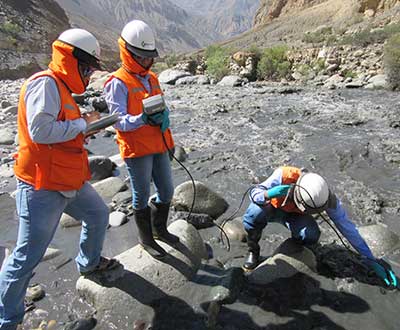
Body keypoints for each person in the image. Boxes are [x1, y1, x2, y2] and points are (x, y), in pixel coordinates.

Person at [0, 28, 119, 330]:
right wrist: (81, 125)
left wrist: (81, 130)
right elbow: (40, 131)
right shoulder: (46, 84)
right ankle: (7, 320)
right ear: (74, 61)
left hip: (68, 179)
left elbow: (59, 130)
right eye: (89, 67)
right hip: (42, 185)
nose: (91, 74)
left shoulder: (62, 88)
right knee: (27, 257)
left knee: (97, 213)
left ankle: (89, 263)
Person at [242, 165, 398, 288]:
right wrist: (268, 194)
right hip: (271, 209)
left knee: (311, 235)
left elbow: (349, 230)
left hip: (294, 217)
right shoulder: (284, 175)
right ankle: (253, 250)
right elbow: (254, 192)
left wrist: (371, 260)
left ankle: (295, 250)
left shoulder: (327, 198)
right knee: (255, 212)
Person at [104, 20, 178, 260]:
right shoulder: (117, 82)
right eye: (142, 57)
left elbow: (160, 106)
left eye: (149, 57)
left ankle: (160, 230)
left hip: (158, 143)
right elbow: (117, 122)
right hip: (137, 149)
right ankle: (146, 239)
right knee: (141, 194)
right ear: (128, 53)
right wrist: (141, 119)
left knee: (167, 190)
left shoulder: (153, 78)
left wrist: (165, 123)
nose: (147, 61)